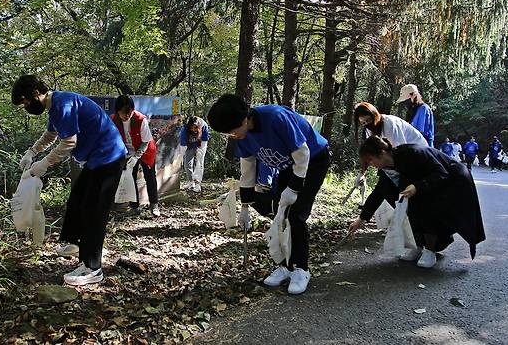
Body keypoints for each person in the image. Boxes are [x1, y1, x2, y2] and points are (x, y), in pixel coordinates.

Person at [207, 94, 330, 295]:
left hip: (313, 159)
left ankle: (301, 269)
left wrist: (294, 188)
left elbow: (303, 154)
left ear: (245, 119)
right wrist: (244, 207)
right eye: (228, 133)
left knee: (295, 214)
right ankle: (284, 265)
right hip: (287, 165)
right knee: (277, 212)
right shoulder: (243, 136)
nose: (232, 135)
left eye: (233, 130)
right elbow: (247, 170)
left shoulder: (276, 117)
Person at [13, 75, 126, 286]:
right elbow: (50, 136)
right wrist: (31, 152)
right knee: (77, 200)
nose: (26, 106)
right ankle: (75, 244)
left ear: (35, 94)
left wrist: (43, 164)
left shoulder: (62, 104)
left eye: (26, 102)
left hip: (109, 156)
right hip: (95, 159)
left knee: (94, 211)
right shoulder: (55, 105)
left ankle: (92, 267)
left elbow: (68, 143)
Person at [349, 136, 485, 268]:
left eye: (371, 160)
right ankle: (418, 247)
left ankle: (430, 251)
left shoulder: (413, 154)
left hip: (452, 181)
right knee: (409, 208)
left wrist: (417, 186)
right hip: (429, 184)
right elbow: (378, 194)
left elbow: (441, 173)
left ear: (382, 153)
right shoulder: (387, 170)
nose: (371, 165)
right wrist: (361, 219)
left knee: (425, 207)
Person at [351, 102, 427, 238]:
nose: (367, 124)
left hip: (416, 161)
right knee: (387, 191)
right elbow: (370, 152)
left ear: (375, 115)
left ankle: (426, 243)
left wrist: (399, 179)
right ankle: (416, 239)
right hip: (394, 164)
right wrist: (362, 173)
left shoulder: (390, 124)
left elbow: (402, 152)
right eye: (363, 123)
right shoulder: (370, 129)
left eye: (368, 121)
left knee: (410, 199)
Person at [111, 95, 160, 217]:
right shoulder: (113, 120)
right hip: (126, 152)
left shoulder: (140, 119)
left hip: (145, 150)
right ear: (117, 111)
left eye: (130, 112)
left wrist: (136, 157)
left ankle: (154, 205)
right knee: (130, 178)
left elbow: (145, 142)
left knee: (150, 177)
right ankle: (134, 207)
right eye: (124, 113)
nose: (127, 115)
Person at [179, 116, 210, 193]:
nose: (193, 130)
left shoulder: (204, 126)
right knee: (187, 164)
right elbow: (183, 145)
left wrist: (200, 151)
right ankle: (191, 182)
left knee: (200, 163)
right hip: (189, 145)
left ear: (199, 126)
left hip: (200, 145)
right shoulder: (184, 129)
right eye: (191, 128)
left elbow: (204, 142)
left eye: (195, 128)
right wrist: (181, 156)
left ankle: (198, 183)